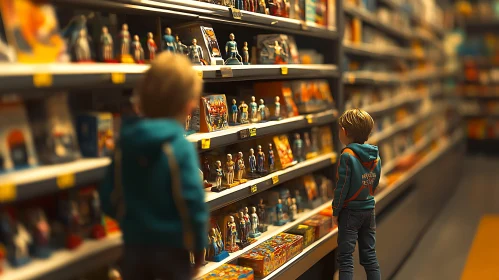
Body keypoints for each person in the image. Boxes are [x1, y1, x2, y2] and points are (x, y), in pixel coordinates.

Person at [99, 52, 207, 280]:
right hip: (173, 250)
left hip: (134, 248)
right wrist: (198, 245)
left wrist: (130, 220)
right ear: (188, 106)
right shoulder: (178, 146)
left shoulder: (124, 143)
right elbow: (191, 202)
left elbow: (109, 196)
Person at [333, 109, 382, 280]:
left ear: (344, 132)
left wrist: (336, 211)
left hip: (350, 212)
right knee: (370, 256)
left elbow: (342, 187)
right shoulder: (376, 156)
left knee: (346, 259)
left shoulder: (347, 156)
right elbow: (374, 182)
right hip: (369, 209)